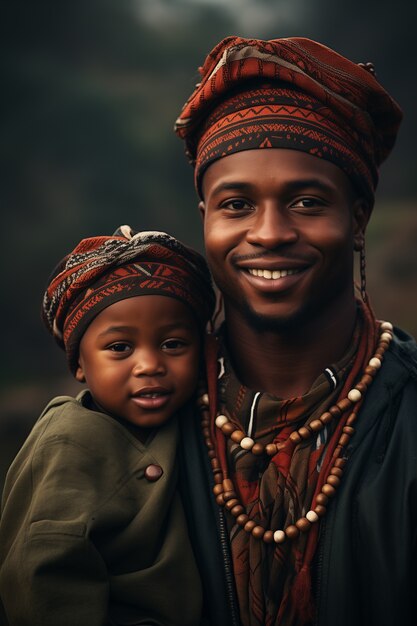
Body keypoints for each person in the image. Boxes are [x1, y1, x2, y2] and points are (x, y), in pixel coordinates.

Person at [174, 36, 416, 626]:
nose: (270, 233)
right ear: (205, 220)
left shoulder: (407, 417)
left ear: (357, 220)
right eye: (236, 205)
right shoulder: (140, 419)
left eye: (307, 202)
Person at [0, 226, 215, 626]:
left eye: (173, 344)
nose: (149, 364)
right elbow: (43, 578)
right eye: (120, 348)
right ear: (79, 364)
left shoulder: (202, 424)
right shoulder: (68, 443)